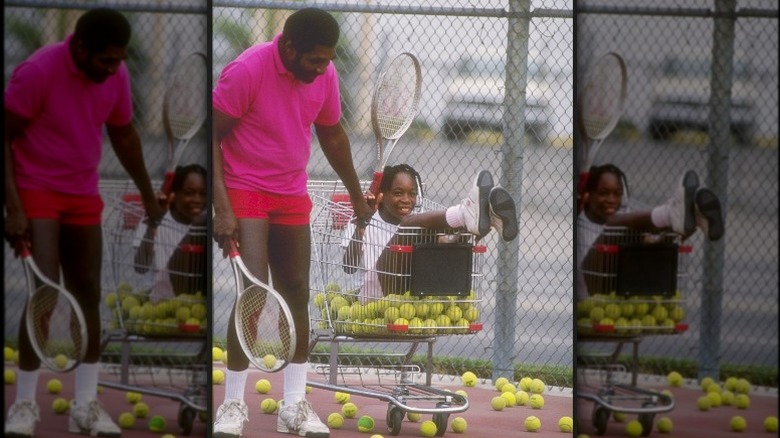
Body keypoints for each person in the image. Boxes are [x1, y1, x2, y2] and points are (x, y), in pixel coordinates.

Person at [211, 8, 373, 438]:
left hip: (289, 190)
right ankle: (232, 403)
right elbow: (211, 134)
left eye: (328, 60)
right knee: (253, 292)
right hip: (244, 187)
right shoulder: (248, 70)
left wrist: (357, 196)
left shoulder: (325, 73)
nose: (323, 68)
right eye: (316, 59)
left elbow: (332, 134)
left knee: (297, 290)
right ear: (288, 47)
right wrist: (222, 208)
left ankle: (294, 405)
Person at [4, 8, 165, 438]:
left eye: (119, 60)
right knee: (44, 292)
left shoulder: (116, 74)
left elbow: (124, 134)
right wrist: (13, 207)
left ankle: (86, 405)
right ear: (79, 48)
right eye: (106, 60)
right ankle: (23, 404)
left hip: (81, 192)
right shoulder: (38, 72)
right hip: (36, 188)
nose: (114, 69)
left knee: (89, 292)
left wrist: (148, 195)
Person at [341, 164, 518, 299]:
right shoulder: (362, 220)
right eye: (398, 193)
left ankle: (487, 219)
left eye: (412, 194)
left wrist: (457, 238)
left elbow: (442, 247)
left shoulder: (420, 222)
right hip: (370, 297)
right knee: (409, 224)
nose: (406, 200)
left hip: (411, 293)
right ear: (382, 195)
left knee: (440, 240)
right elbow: (349, 267)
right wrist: (362, 225)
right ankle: (464, 213)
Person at [577, 163, 724, 299]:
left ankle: (693, 218)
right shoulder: (579, 226)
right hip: (589, 295)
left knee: (650, 244)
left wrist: (657, 240)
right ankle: (669, 214)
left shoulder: (625, 218)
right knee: (615, 225)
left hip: (623, 295)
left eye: (617, 194)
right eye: (603, 193)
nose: (611, 200)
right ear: (587, 195)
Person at [133, 164, 208, 300]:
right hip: (158, 299)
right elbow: (140, 267)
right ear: (174, 194)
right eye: (189, 193)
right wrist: (153, 224)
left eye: (203, 194)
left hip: (193, 298)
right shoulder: (152, 219)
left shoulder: (206, 224)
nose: (198, 200)